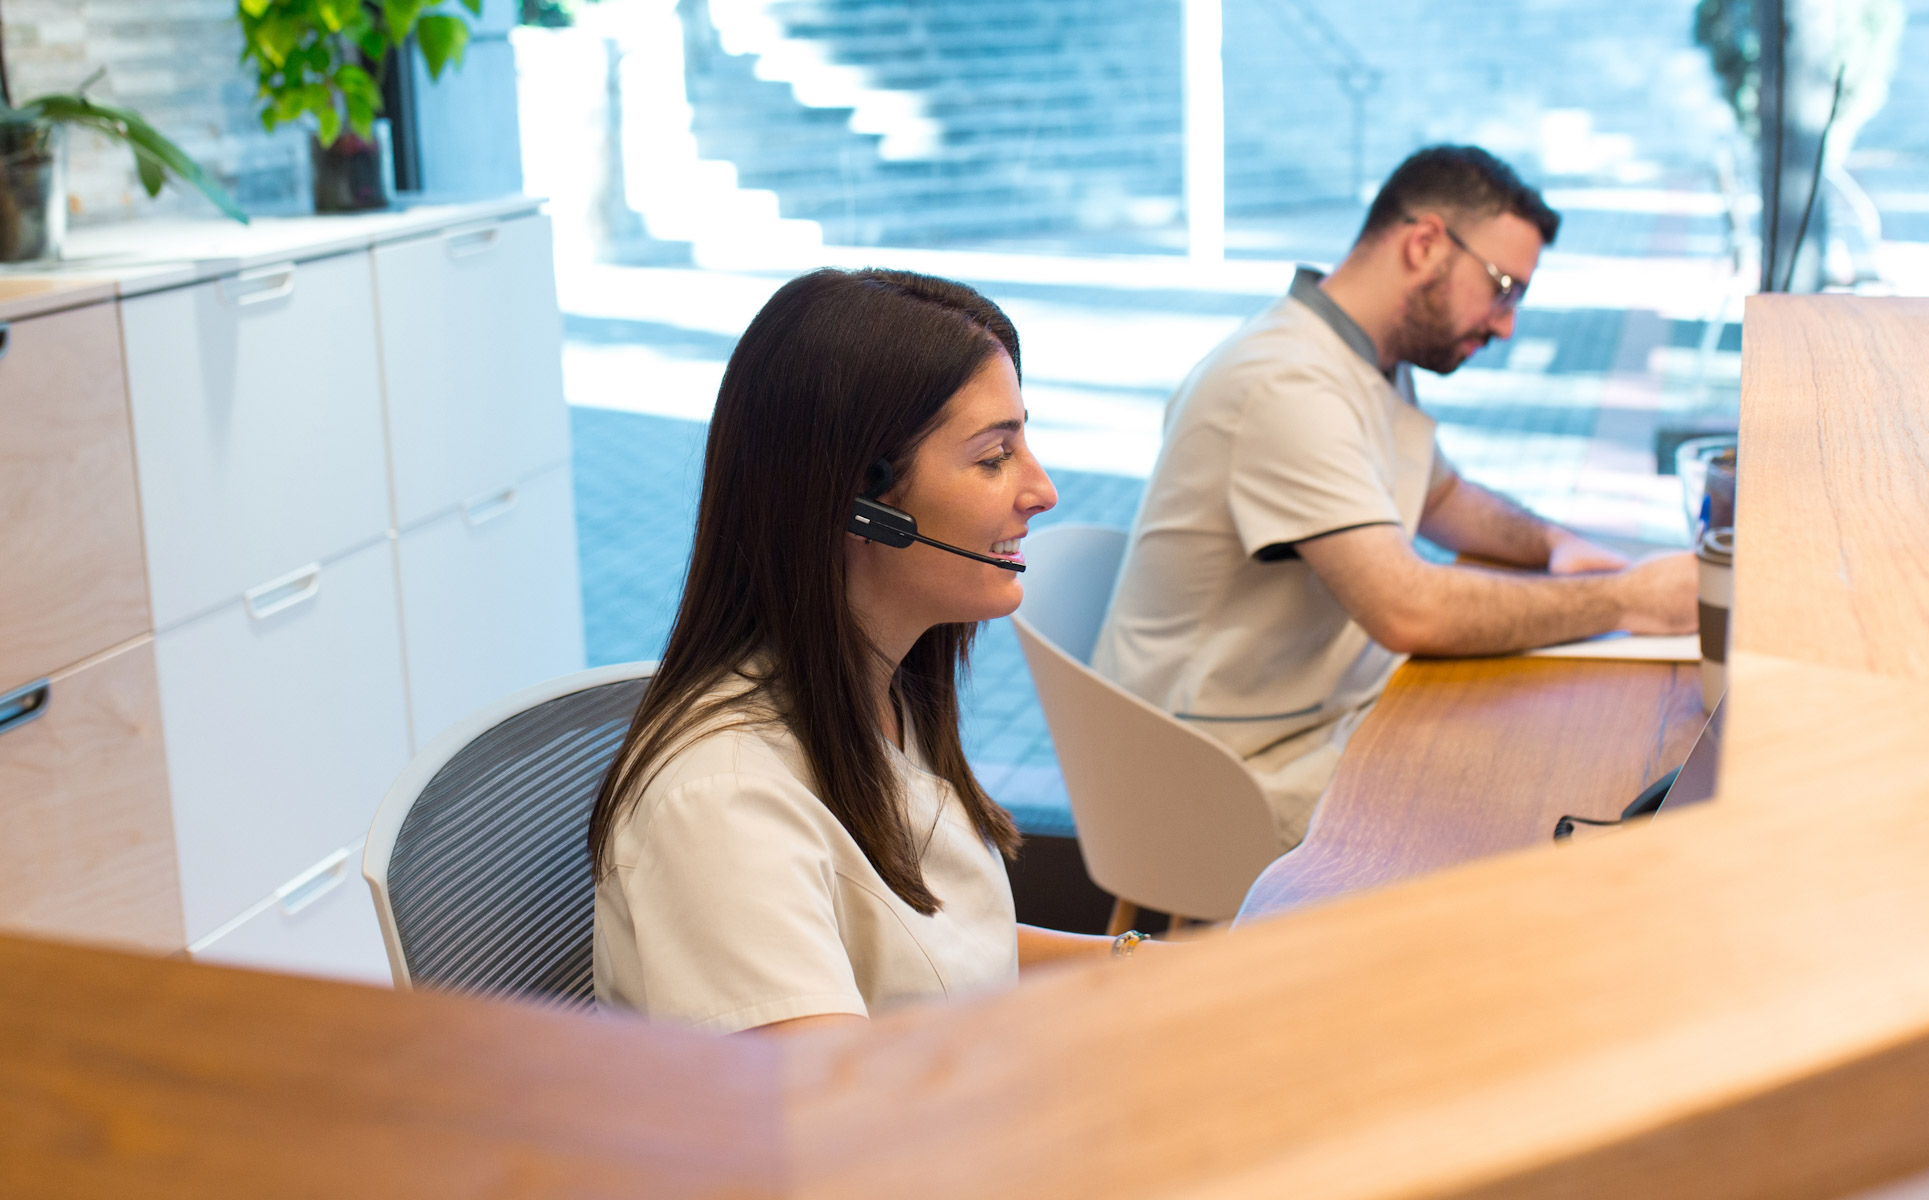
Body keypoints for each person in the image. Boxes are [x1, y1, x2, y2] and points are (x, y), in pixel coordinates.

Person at [590, 268, 1151, 1036]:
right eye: (994, 458)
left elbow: (941, 959)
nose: (1042, 490)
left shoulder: (876, 686)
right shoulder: (721, 806)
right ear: (861, 505)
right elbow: (836, 1128)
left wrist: (1150, 965)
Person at [1093, 145, 1698, 847]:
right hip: (1222, 773)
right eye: (1504, 287)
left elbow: (1443, 495)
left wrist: (1556, 545)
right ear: (1424, 245)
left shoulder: (1361, 354)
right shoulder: (1285, 382)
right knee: (1531, 799)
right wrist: (1626, 599)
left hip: (1318, 717)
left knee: (1550, 751)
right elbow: (1407, 608)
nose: (1507, 325)